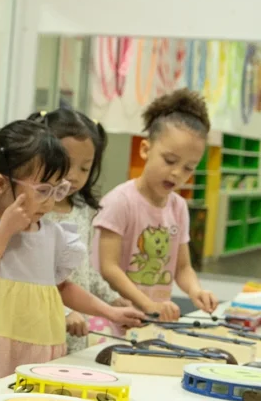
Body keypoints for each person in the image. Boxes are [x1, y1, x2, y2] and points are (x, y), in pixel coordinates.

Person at [0, 120, 144, 400]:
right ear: (0, 184)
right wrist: (5, 230)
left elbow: (62, 287)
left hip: (40, 348)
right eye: (43, 190)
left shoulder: (53, 233)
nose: (50, 202)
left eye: (57, 190)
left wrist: (110, 312)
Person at [94, 89, 219, 322]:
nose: (177, 173)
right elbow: (108, 268)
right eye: (170, 161)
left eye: (189, 168)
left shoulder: (178, 207)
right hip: (112, 319)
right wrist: (147, 304)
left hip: (152, 319)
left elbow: (182, 268)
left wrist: (196, 291)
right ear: (145, 149)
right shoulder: (120, 201)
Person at [32, 107, 127, 352]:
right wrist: (64, 311)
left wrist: (113, 300)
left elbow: (85, 269)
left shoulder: (84, 210)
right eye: (67, 164)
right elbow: (30, 273)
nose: (74, 176)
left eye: (84, 168)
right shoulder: (32, 210)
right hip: (39, 324)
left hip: (76, 329)